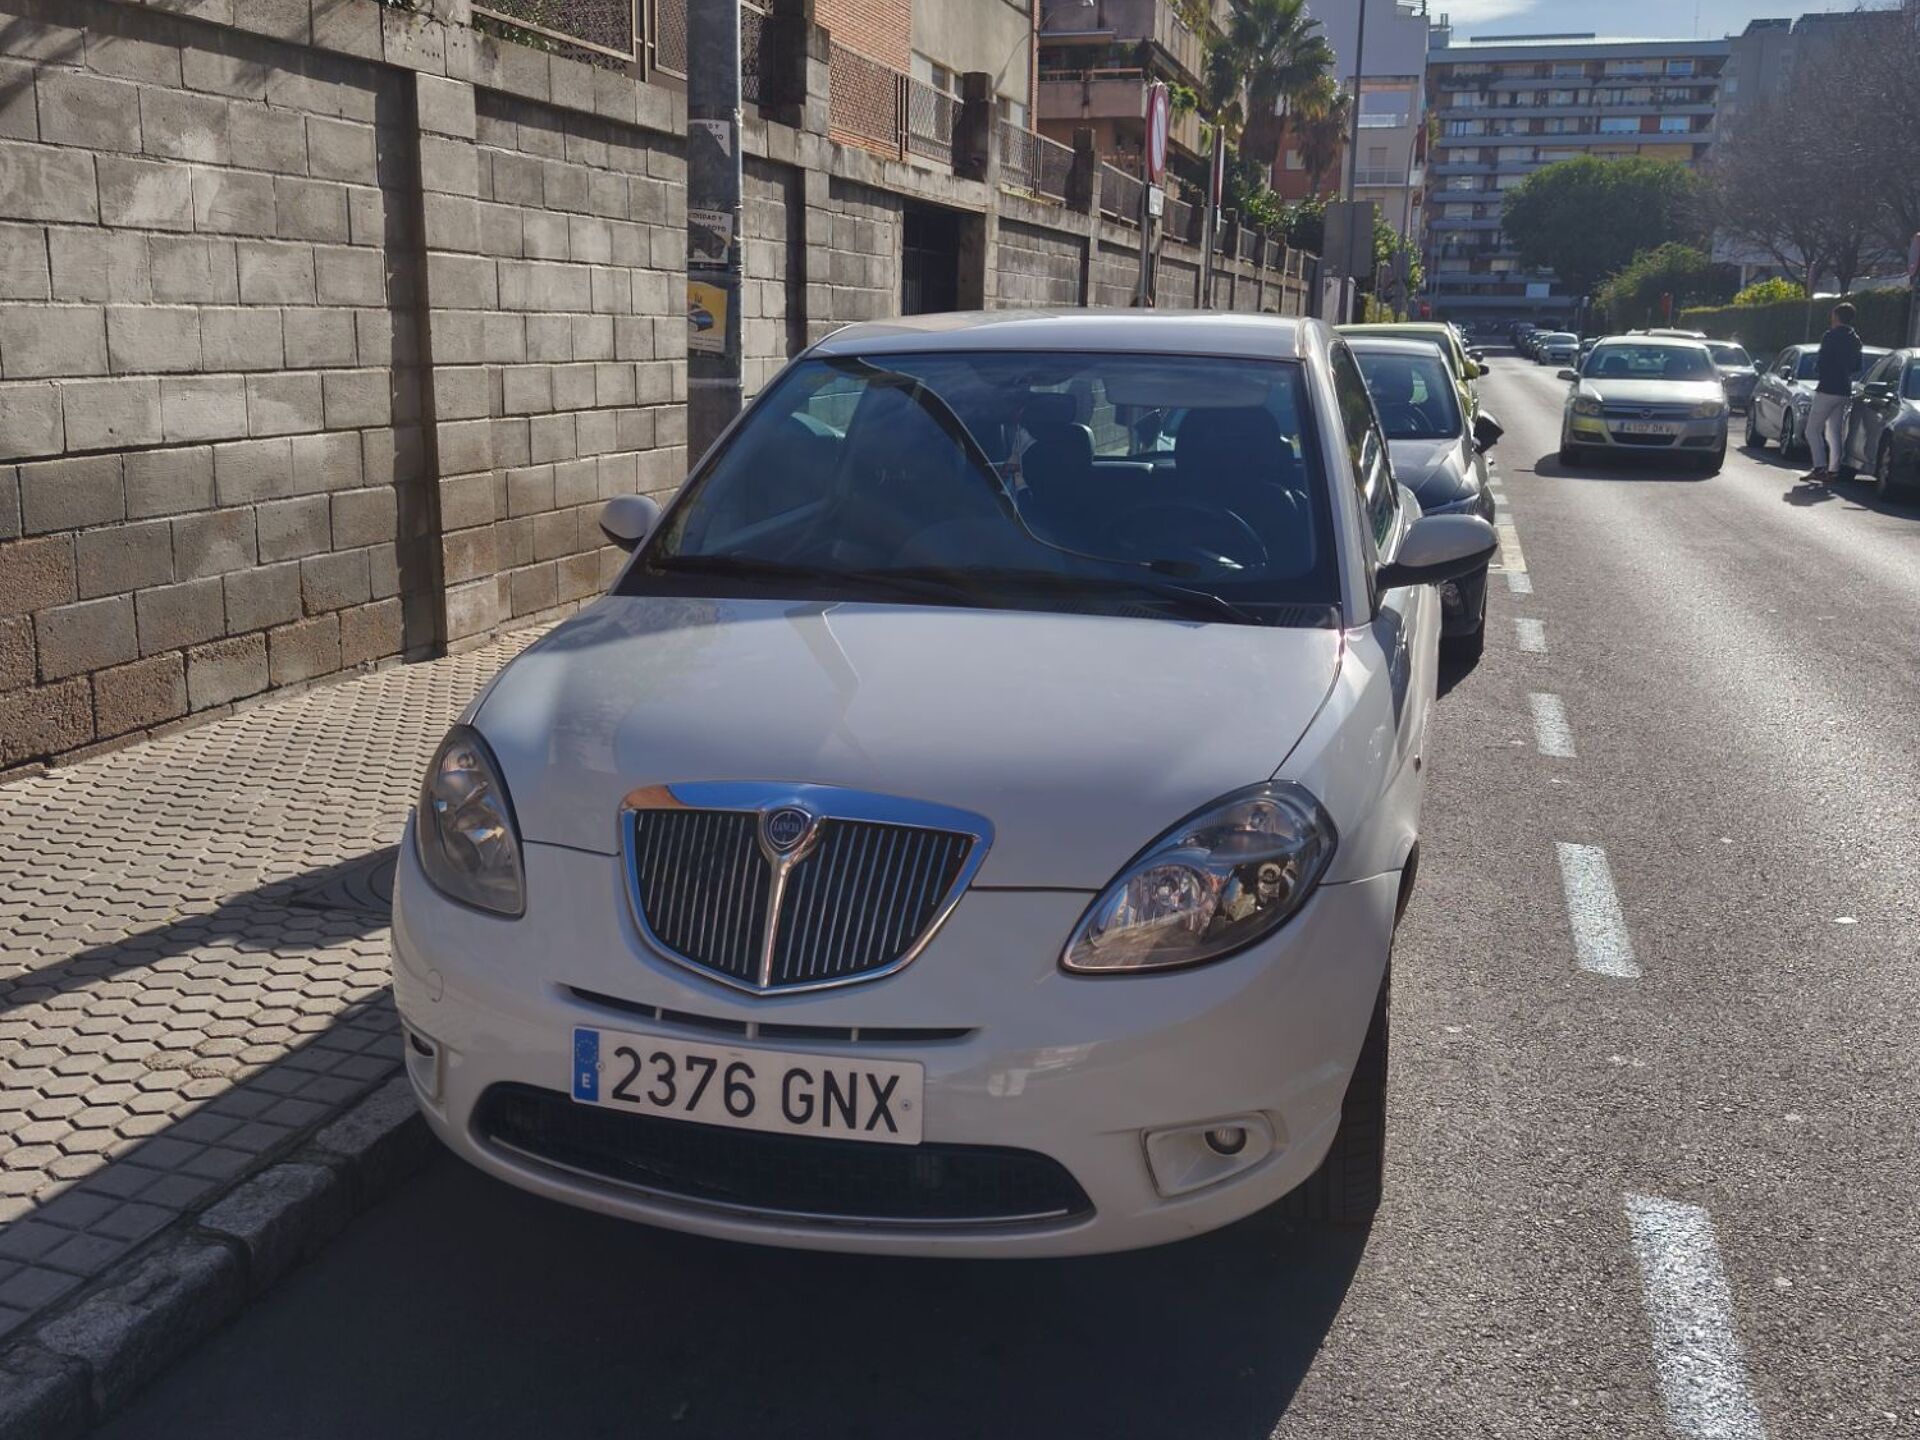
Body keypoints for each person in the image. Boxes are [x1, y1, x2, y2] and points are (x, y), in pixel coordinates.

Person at [1805, 301, 1863, 484]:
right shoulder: (1855, 339)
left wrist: (1820, 370)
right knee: (1834, 431)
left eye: (1833, 315)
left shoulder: (1830, 336)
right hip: (1844, 389)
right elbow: (1856, 366)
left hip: (1828, 388)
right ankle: (1833, 470)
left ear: (1836, 317)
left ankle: (1819, 467)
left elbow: (1822, 361)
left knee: (1812, 430)